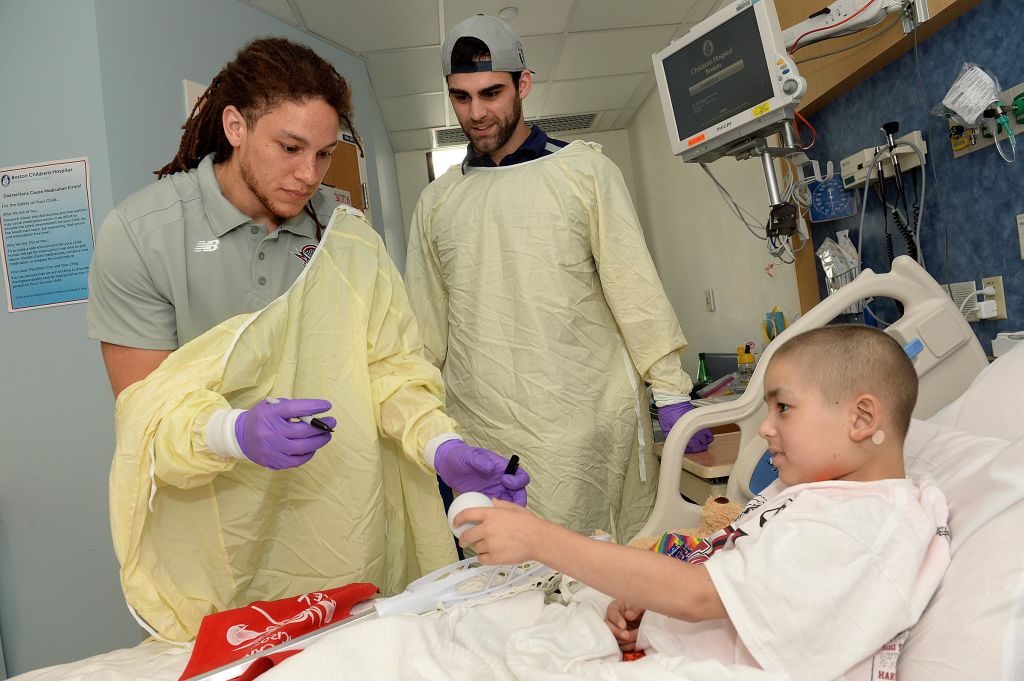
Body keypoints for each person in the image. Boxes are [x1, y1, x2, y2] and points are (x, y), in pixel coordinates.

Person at [87, 36, 528, 641]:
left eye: (323, 153)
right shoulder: (142, 237)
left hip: (341, 536)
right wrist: (232, 432)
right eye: (289, 148)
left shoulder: (344, 238)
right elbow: (147, 421)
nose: (308, 175)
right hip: (217, 551)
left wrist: (440, 447)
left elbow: (390, 371)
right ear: (235, 126)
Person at [455, 325, 951, 680]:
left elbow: (698, 595)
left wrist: (540, 539)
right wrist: (648, 605)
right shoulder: (807, 493)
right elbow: (724, 570)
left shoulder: (864, 524)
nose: (765, 426)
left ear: (862, 419)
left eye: (783, 406)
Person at [404, 15, 712, 541]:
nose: (476, 113)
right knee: (510, 590)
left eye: (491, 93)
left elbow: (633, 287)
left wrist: (669, 389)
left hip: (585, 428)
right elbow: (423, 328)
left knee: (598, 581)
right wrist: (423, 422)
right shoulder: (438, 202)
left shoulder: (584, 174)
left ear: (524, 84)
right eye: (460, 97)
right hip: (485, 432)